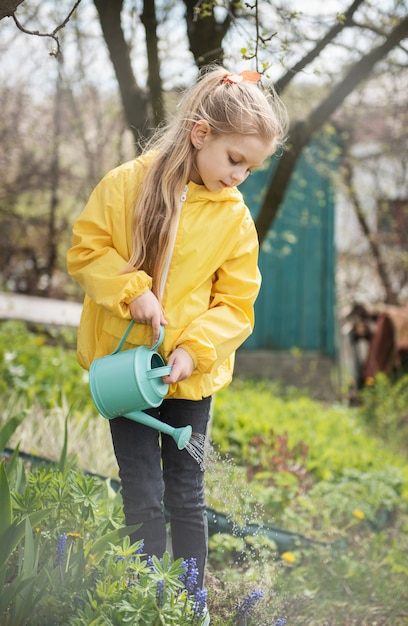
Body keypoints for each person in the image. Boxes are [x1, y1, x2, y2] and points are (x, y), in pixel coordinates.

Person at [66, 65, 288, 591]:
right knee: (141, 489)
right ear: (200, 134)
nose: (239, 177)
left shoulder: (235, 220)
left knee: (186, 492)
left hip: (189, 378)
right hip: (126, 373)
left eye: (250, 169)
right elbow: (87, 251)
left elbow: (236, 303)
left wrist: (194, 350)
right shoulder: (126, 185)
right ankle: (149, 598)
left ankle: (189, 603)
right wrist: (131, 291)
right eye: (235, 160)